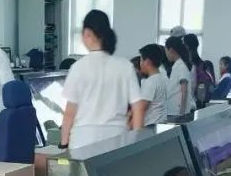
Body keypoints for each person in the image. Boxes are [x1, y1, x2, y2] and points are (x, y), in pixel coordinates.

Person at [61, 10, 146, 151]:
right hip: (117, 139)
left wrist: (64, 144)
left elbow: (69, 113)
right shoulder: (125, 66)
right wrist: (136, 142)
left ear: (87, 33)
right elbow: (138, 107)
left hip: (83, 141)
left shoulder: (78, 67)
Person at [138, 44, 169, 127]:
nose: (140, 63)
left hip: (150, 125)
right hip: (161, 123)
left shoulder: (151, 82)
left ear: (147, 62)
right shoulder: (162, 78)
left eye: (141, 60)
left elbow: (141, 108)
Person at [164, 36, 195, 116]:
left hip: (178, 113)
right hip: (173, 111)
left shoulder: (181, 66)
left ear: (171, 50)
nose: (166, 54)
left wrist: (182, 113)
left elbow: (184, 91)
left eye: (166, 51)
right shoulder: (177, 65)